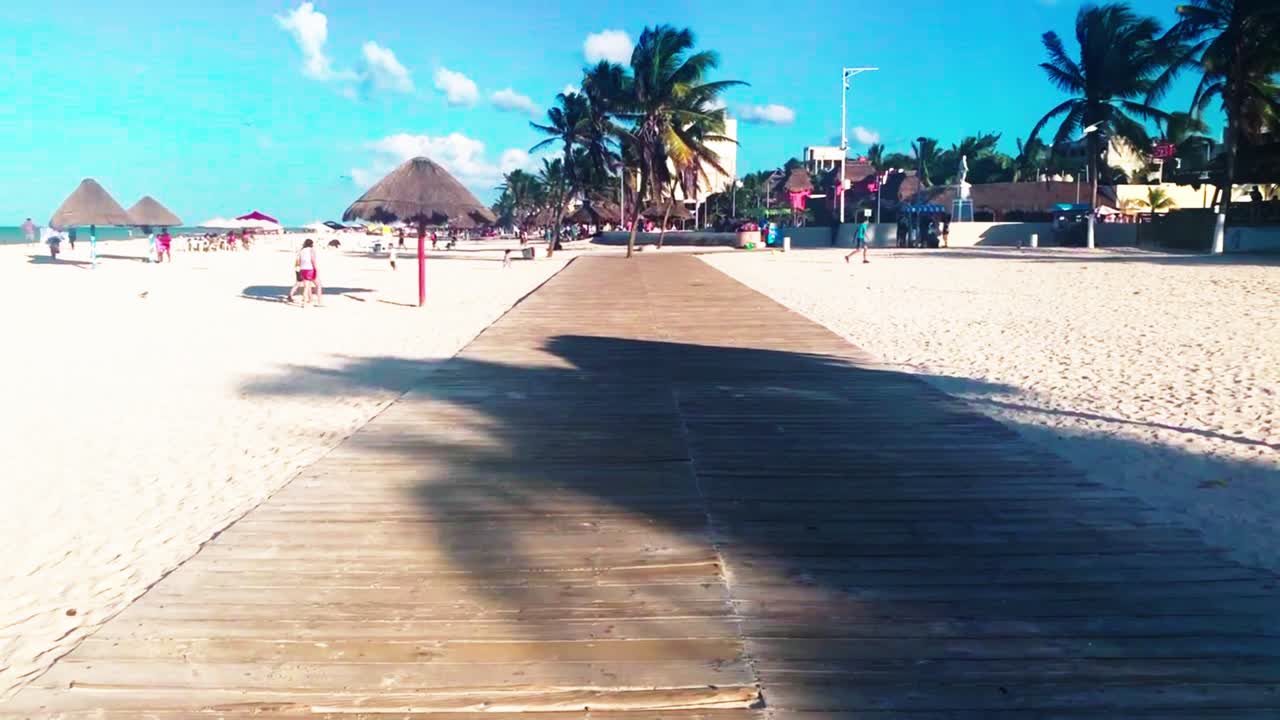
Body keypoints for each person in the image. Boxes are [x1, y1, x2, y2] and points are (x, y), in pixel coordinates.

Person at [288, 238, 322, 306]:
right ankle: (319, 302)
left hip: (302, 269)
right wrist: (316, 268)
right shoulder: (311, 250)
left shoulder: (302, 250)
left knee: (307, 286)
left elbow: (299, 261)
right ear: (312, 244)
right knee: (318, 285)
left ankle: (309, 300)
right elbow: (313, 260)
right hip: (310, 269)